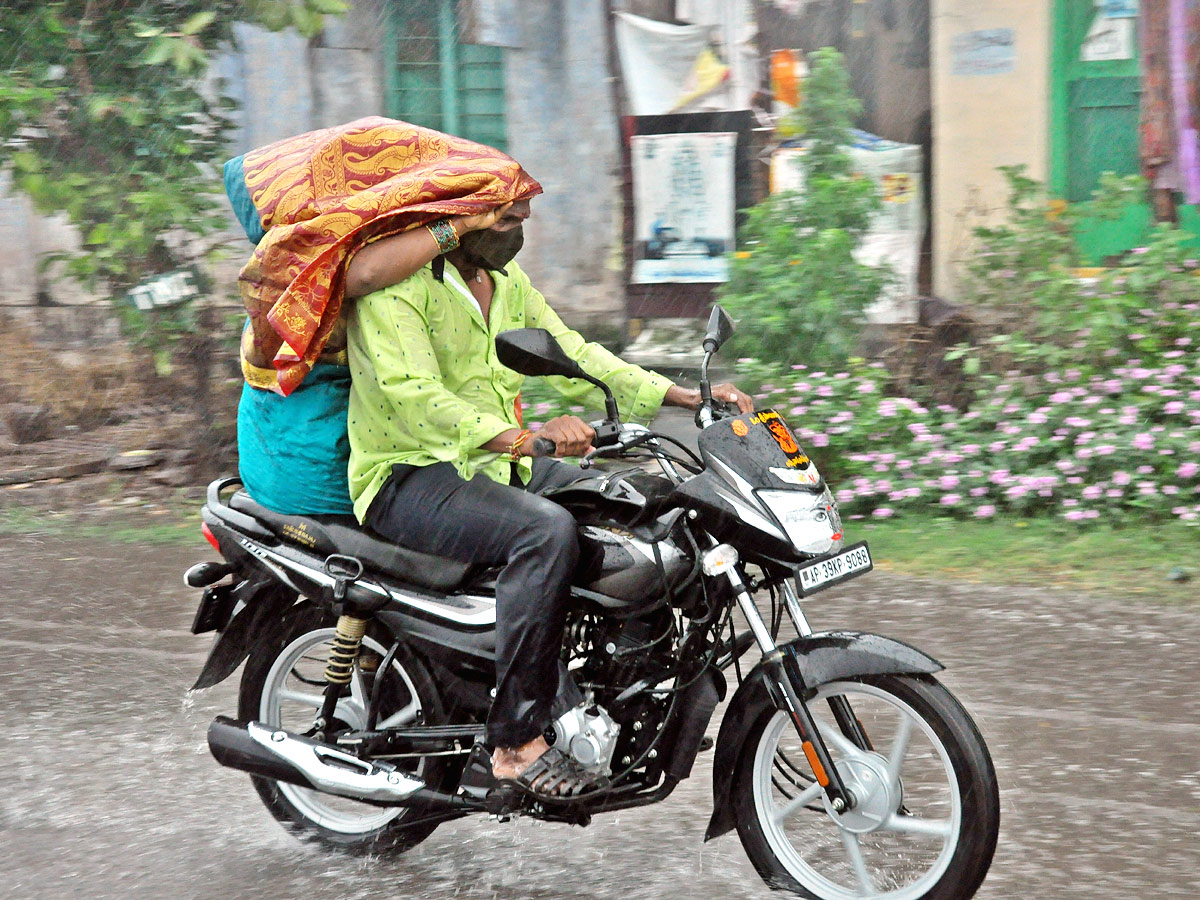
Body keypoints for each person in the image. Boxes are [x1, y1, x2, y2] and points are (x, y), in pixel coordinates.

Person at [346, 195, 753, 797]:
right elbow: (414, 395)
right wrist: (521, 438)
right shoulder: (398, 291)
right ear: (461, 220)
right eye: (505, 218)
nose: (518, 230)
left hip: (493, 467)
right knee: (544, 532)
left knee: (648, 499)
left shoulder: (506, 282)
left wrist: (685, 398)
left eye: (522, 219)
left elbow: (575, 351)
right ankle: (513, 739)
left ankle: (626, 683)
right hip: (408, 474)